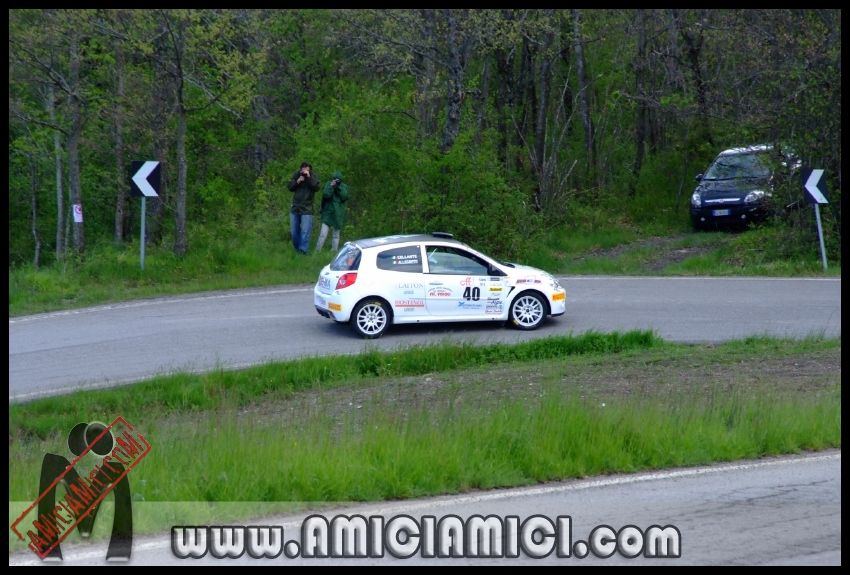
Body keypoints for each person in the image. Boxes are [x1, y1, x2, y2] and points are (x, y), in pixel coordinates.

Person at [287, 161, 320, 254]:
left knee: (305, 231)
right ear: (300, 169)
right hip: (295, 207)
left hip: (307, 208)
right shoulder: (297, 175)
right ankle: (298, 249)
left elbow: (316, 188)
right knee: (294, 232)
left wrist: (308, 178)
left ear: (309, 170)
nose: (304, 171)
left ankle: (303, 250)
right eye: (303, 169)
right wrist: (298, 181)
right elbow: (289, 187)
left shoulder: (313, 177)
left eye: (306, 169)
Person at [315, 170, 350, 252]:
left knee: (336, 235)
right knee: (323, 234)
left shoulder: (343, 187)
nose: (336, 181)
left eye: (338, 180)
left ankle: (334, 251)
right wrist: (331, 186)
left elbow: (345, 197)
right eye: (335, 179)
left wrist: (338, 187)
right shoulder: (328, 184)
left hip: (338, 214)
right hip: (328, 212)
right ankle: (317, 250)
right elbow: (326, 195)